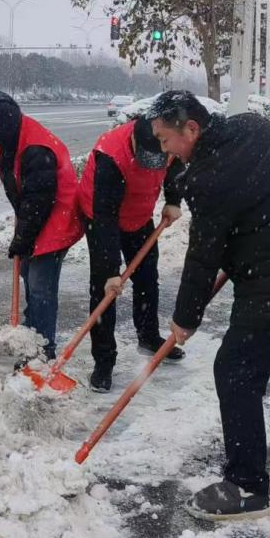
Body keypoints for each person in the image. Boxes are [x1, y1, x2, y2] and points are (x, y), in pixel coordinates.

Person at [151, 90, 270, 522]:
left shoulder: (210, 177)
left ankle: (247, 487)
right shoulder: (253, 127)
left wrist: (186, 318)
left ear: (192, 129)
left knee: (235, 369)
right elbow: (267, 187)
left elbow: (203, 255)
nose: (165, 151)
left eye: (166, 141)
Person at [0, 91, 84, 359]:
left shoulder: (35, 148)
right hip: (36, 213)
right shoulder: (10, 140)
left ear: (2, 126)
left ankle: (43, 351)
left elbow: (38, 202)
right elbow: (22, 192)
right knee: (29, 277)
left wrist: (22, 239)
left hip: (58, 217)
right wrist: (22, 229)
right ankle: (30, 335)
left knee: (41, 285)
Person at [77, 115, 185, 393]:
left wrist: (173, 200)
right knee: (104, 290)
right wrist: (111, 271)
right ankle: (103, 362)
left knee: (148, 278)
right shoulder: (110, 156)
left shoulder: (166, 138)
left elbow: (176, 167)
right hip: (102, 218)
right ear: (135, 142)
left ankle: (148, 337)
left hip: (139, 217)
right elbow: (105, 219)